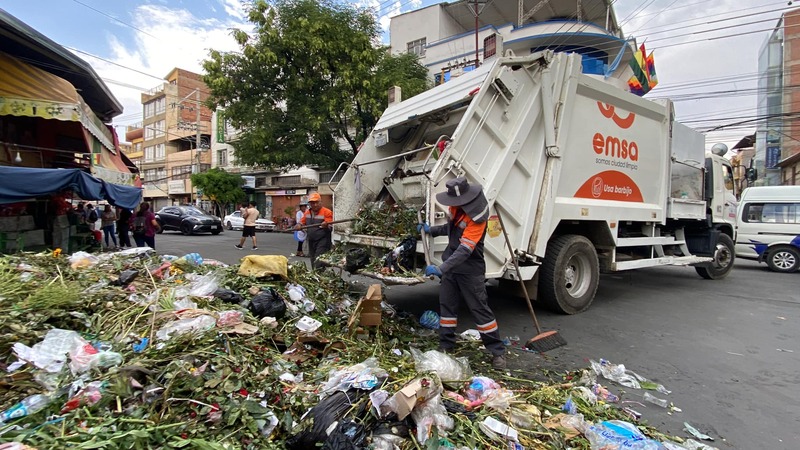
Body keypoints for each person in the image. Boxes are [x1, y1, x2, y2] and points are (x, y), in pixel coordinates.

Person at [420, 177, 507, 370]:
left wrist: (441, 268)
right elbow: (451, 229)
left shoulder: (477, 218)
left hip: (470, 271)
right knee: (447, 307)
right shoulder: (456, 210)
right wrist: (431, 230)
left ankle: (497, 352)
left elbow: (464, 250)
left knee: (479, 310)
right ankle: (446, 345)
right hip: (452, 269)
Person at [294, 192, 332, 269]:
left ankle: (319, 276)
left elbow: (330, 226)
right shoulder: (308, 212)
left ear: (320, 202)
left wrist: (326, 224)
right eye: (312, 203)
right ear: (310, 204)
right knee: (313, 260)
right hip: (311, 240)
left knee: (319, 261)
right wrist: (299, 225)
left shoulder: (327, 212)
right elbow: (302, 221)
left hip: (323, 240)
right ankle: (316, 277)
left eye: (316, 202)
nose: (314, 205)